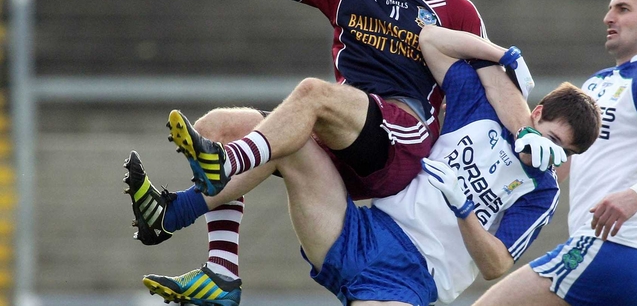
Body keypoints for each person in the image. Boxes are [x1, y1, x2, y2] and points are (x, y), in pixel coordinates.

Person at [111, 0, 500, 302]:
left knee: (313, 95)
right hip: (342, 134)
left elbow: (491, 87)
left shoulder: (455, 9)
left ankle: (193, 195)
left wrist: (529, 138)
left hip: (400, 140)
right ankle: (220, 273)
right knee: (221, 124)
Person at [127, 24, 602, 305]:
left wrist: (464, 212)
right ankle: (186, 231)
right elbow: (432, 40)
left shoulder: (542, 190)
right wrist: (500, 55)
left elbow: (497, 265)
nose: (551, 152)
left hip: (414, 277)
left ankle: (183, 223)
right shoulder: (482, 108)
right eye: (550, 136)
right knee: (252, 127)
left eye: (564, 151)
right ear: (536, 112)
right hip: (361, 228)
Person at [472, 0, 637, 306]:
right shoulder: (599, 83)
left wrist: (635, 196)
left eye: (623, 9)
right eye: (610, 8)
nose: (609, 17)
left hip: (610, 249)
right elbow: (561, 162)